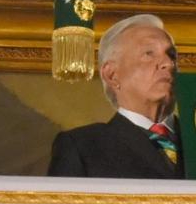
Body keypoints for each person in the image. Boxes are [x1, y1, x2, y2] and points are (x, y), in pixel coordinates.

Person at [48, 14, 184, 179]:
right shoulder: (83, 146)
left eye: (172, 55)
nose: (168, 63)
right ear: (112, 75)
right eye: (149, 53)